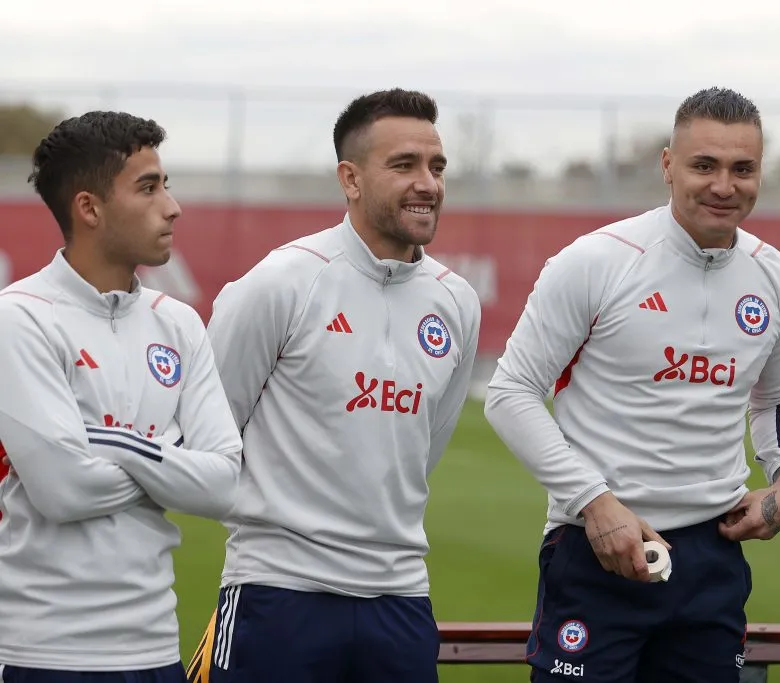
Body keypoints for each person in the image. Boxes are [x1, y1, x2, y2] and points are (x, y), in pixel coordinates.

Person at [484, 87, 780, 683]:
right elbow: (511, 393)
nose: (723, 185)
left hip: (713, 558)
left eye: (743, 169)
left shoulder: (777, 278)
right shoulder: (597, 262)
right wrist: (595, 502)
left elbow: (779, 398)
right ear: (667, 164)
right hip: (595, 549)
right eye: (703, 165)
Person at [185, 88, 481, 683]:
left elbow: (426, 451)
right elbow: (208, 438)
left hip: (400, 599)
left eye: (436, 166)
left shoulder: (457, 302)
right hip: (278, 593)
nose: (427, 182)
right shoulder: (280, 285)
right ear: (350, 178)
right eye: (404, 166)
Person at [0, 111, 243, 682]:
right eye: (149, 187)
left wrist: (104, 445)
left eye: (167, 184)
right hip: (45, 654)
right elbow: (64, 490)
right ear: (89, 208)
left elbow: (223, 484)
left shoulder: (179, 323)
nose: (172, 205)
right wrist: (169, 452)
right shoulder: (19, 318)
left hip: (155, 647)